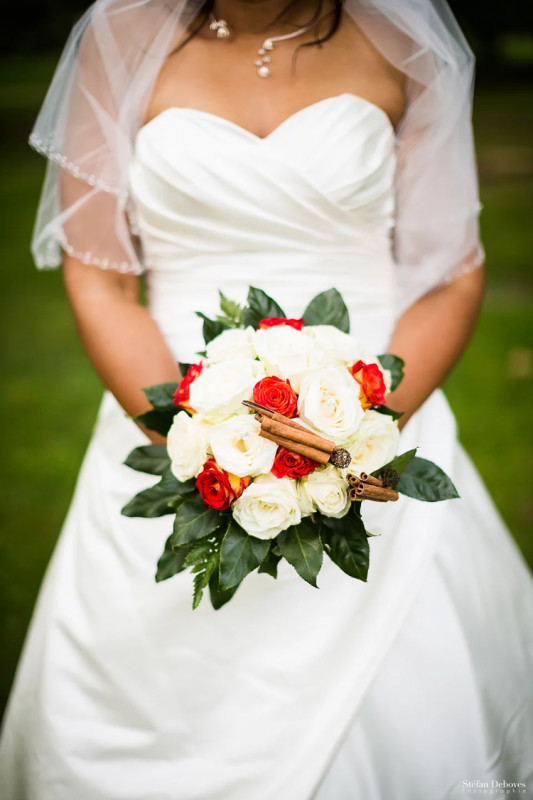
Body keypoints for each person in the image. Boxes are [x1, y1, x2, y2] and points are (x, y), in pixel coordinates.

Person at [1, 0, 532, 797]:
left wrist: (354, 437)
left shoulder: (401, 41)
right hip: (173, 424)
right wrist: (192, 437)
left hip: (374, 421)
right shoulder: (120, 39)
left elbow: (449, 276)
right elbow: (103, 281)